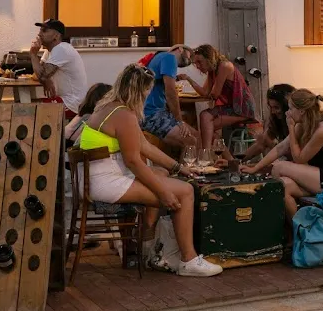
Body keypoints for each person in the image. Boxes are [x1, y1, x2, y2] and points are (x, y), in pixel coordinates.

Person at [78, 64, 222, 277]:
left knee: (162, 174)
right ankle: (188, 260)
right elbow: (134, 162)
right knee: (185, 192)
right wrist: (164, 193)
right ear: (140, 91)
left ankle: (147, 243)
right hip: (105, 182)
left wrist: (178, 168)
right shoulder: (124, 115)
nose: (148, 96)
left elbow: (145, 147)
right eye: (148, 92)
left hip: (95, 176)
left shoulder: (108, 106)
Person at [242, 90, 323, 218]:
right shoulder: (303, 124)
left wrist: (291, 128)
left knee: (279, 167)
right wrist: (254, 169)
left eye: (290, 108)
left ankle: (299, 228)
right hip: (318, 175)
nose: (287, 113)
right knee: (283, 185)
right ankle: (297, 229)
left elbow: (299, 159)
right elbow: (281, 147)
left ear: (301, 111)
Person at [187, 44, 258, 152]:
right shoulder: (212, 70)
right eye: (195, 63)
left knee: (205, 124)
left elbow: (214, 94)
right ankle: (218, 157)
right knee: (205, 122)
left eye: (199, 62)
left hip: (242, 107)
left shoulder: (224, 66)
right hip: (231, 106)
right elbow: (205, 92)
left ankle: (207, 155)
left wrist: (209, 94)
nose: (197, 66)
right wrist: (188, 79)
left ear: (209, 59)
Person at [140, 45, 199, 150]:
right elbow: (171, 92)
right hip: (151, 114)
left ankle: (184, 165)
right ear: (180, 49)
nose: (190, 61)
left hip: (148, 112)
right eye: (190, 55)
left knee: (197, 137)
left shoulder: (158, 57)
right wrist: (179, 121)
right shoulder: (169, 57)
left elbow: (156, 82)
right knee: (191, 141)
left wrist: (174, 79)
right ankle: (184, 166)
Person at [30, 19, 90, 119]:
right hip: (63, 100)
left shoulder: (61, 49)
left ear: (56, 36)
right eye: (40, 30)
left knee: (30, 110)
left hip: (73, 104)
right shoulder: (49, 51)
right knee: (25, 105)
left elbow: (42, 75)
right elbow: (36, 75)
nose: (39, 34)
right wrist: (47, 79)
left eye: (44, 31)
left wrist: (33, 54)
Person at [242, 84, 296, 161]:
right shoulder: (275, 119)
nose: (273, 111)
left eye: (276, 107)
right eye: (271, 107)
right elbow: (261, 144)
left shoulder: (298, 123)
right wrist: (235, 162)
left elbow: (296, 157)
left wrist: (270, 143)